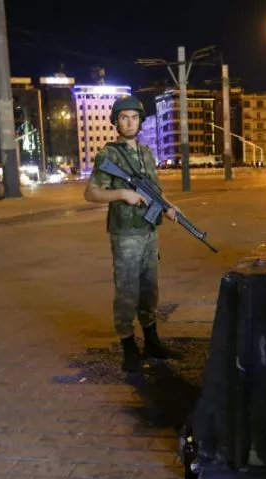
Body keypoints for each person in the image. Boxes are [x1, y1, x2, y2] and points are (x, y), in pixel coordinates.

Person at [84, 96, 181, 373]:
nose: (129, 123)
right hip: (126, 234)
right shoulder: (109, 155)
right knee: (127, 291)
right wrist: (122, 194)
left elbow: (155, 191)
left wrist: (169, 207)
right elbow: (91, 192)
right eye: (124, 118)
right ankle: (128, 347)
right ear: (115, 122)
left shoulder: (146, 153)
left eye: (134, 117)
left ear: (140, 121)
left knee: (150, 289)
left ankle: (152, 341)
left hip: (149, 231)